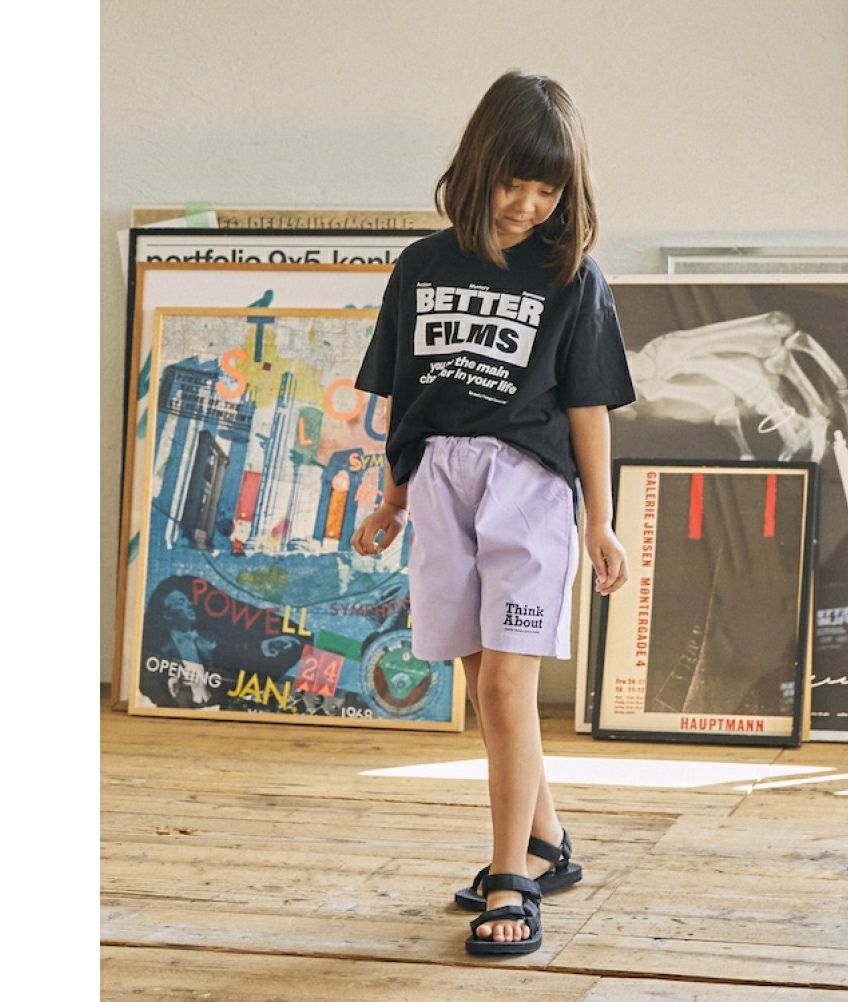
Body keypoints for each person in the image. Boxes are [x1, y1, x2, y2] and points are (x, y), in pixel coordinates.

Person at [350, 70, 636, 956]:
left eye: (547, 190)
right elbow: (408, 394)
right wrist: (393, 495)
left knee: (510, 686)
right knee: (483, 685)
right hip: (440, 482)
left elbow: (588, 407)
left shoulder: (571, 277)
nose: (527, 205)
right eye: (514, 183)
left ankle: (512, 877)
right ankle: (546, 842)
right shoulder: (422, 267)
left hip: (529, 489)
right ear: (478, 168)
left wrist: (599, 519)